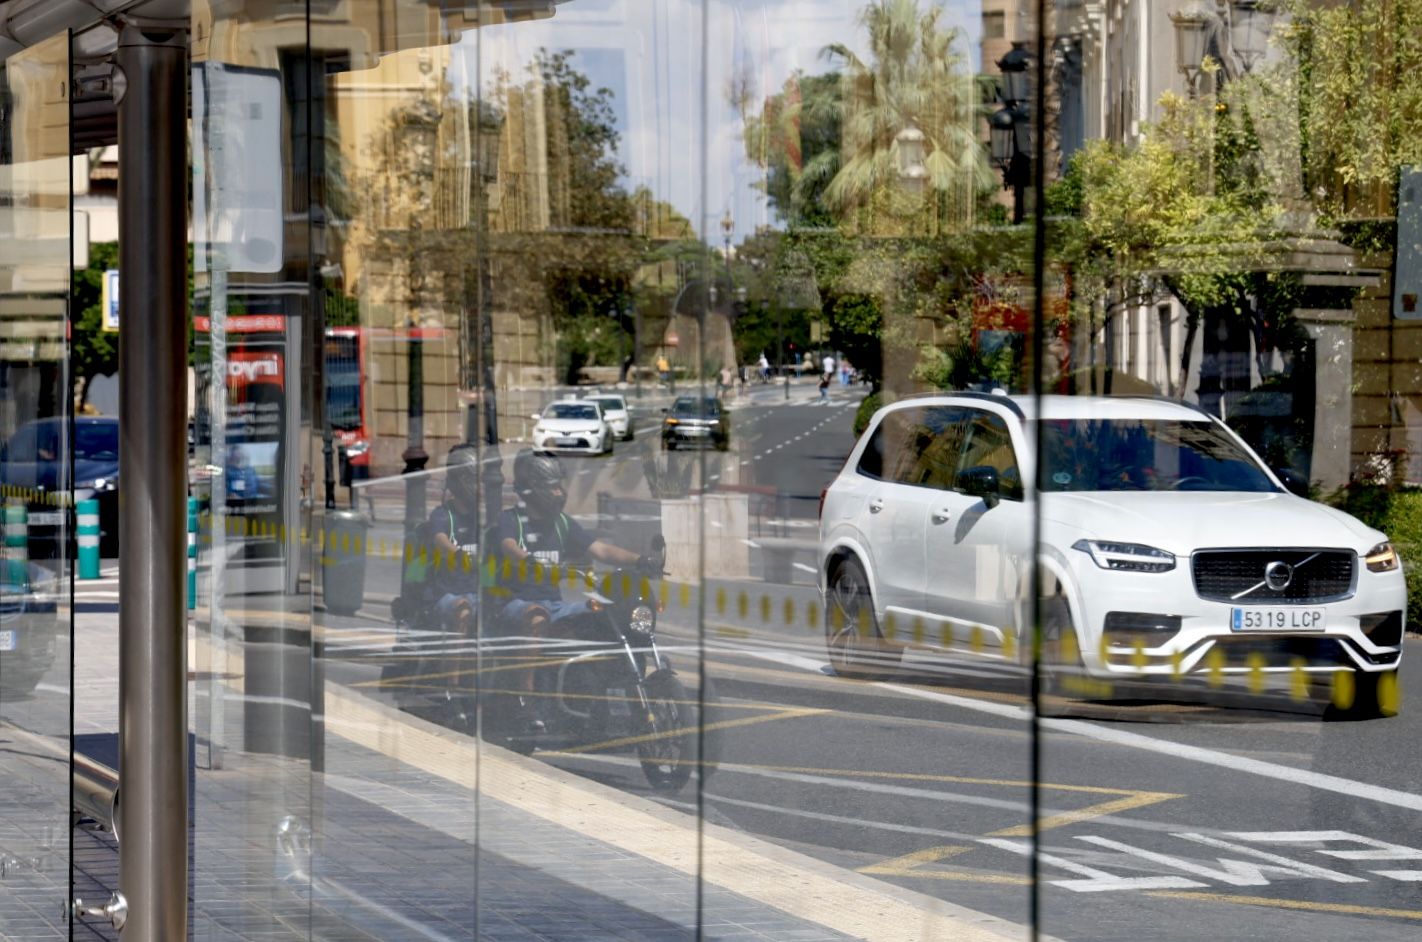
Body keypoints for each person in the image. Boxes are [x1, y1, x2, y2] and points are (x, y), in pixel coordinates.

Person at [494, 449, 647, 730]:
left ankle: (608, 702)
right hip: (515, 603)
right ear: (532, 489)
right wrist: (528, 559)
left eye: (559, 485)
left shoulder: (562, 523)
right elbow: (508, 546)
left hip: (555, 605)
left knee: (607, 613)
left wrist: (641, 560)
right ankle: (525, 702)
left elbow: (601, 549)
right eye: (552, 487)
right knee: (536, 616)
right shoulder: (511, 520)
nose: (559, 493)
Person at [425, 444, 485, 638]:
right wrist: (458, 554)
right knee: (463, 611)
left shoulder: (482, 518)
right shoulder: (442, 515)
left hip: (481, 594)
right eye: (474, 480)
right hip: (448, 594)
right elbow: (440, 539)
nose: (480, 486)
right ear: (460, 481)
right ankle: (456, 668)